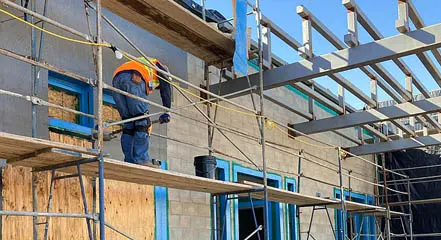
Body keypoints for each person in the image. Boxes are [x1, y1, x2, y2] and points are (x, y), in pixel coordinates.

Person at [112, 57, 171, 167]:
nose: (155, 88)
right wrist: (167, 111)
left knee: (129, 123)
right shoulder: (158, 66)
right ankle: (141, 159)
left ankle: (129, 160)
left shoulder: (142, 63)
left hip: (117, 79)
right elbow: (166, 88)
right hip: (134, 77)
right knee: (142, 121)